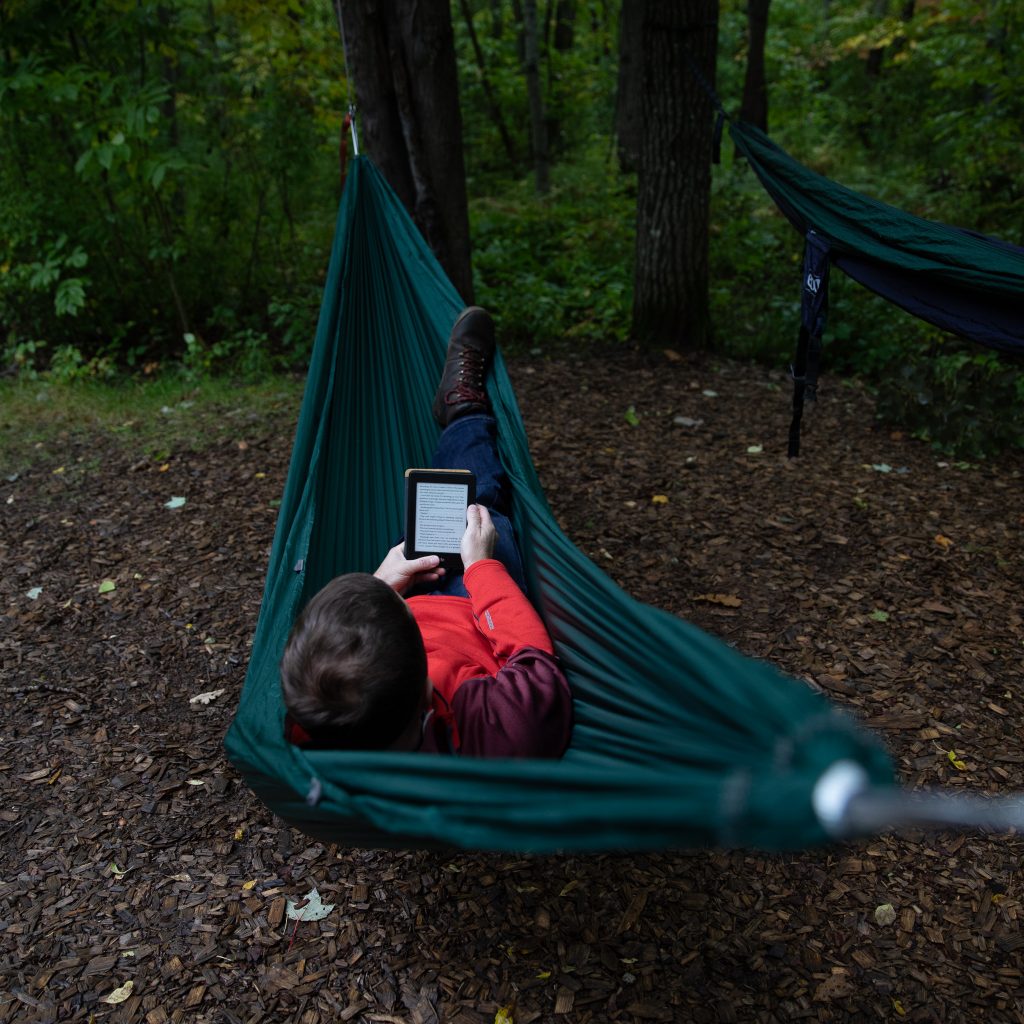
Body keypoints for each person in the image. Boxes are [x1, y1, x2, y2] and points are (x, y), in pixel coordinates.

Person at [280, 307, 573, 758]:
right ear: (425, 693)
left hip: (392, 625)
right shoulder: (486, 725)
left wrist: (384, 587)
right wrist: (482, 568)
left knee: (426, 523)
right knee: (480, 509)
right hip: (478, 609)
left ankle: (459, 429)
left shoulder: (314, 729)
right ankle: (463, 411)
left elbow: (320, 669)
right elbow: (536, 665)